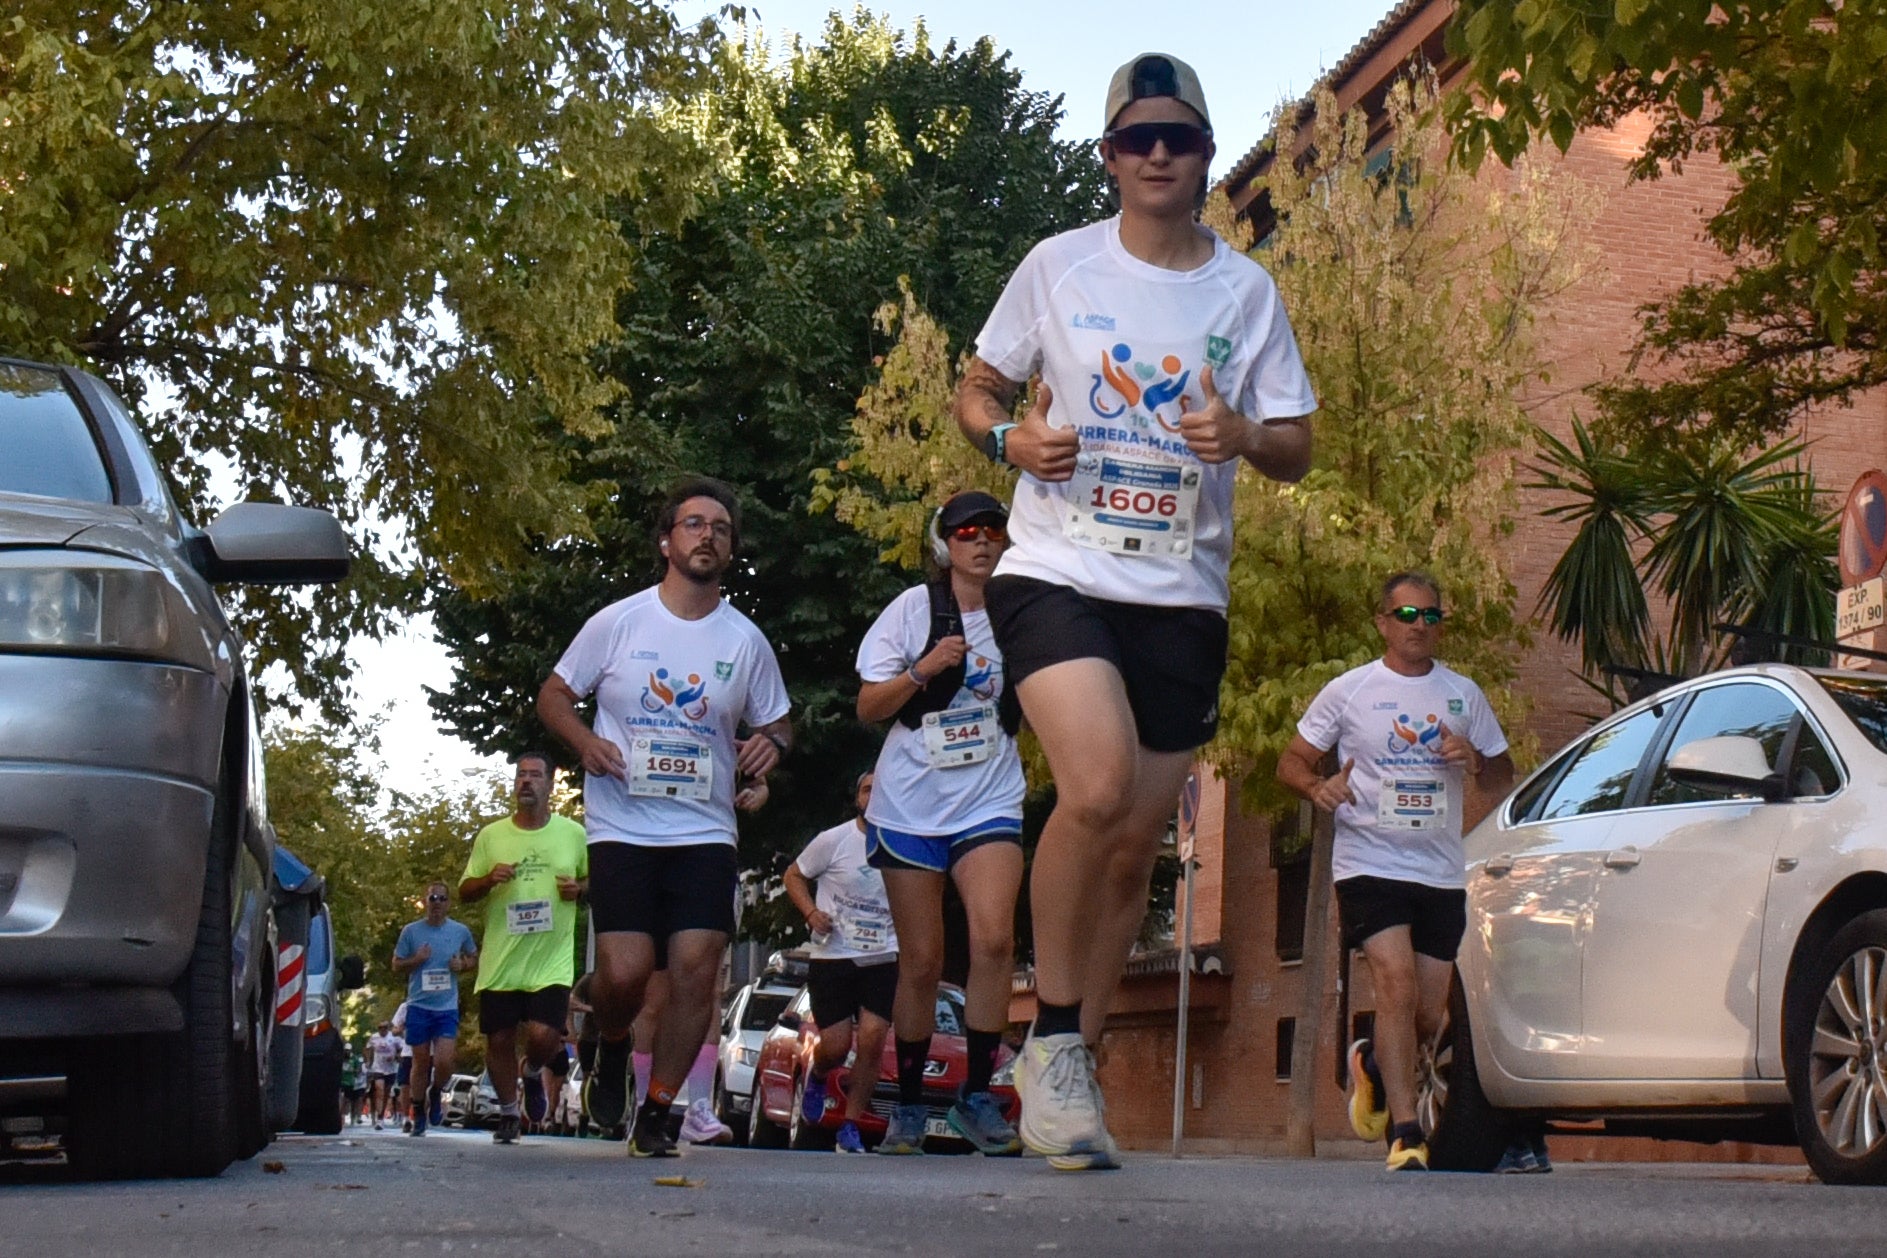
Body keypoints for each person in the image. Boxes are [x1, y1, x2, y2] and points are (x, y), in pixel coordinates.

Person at [952, 52, 1316, 1169]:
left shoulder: (1246, 291)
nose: (1160, 154)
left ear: (1206, 156)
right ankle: (1050, 1039)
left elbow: (1297, 445)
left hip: (1181, 593)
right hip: (1056, 570)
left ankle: (1071, 1066)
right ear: (1110, 156)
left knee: (1130, 850)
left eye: (1182, 138)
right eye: (1137, 138)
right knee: (1098, 781)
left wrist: (1246, 437)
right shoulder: (1059, 266)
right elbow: (979, 390)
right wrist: (1007, 439)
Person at [537, 476, 790, 1158]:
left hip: (705, 829)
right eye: (694, 523)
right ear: (666, 540)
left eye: (720, 528)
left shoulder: (744, 641)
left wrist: (769, 750)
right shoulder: (619, 622)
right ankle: (611, 1044)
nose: (707, 534)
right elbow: (554, 695)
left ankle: (658, 1109)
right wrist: (585, 742)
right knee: (623, 972)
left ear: (731, 550)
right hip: (622, 824)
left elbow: (778, 723)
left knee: (696, 968)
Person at [1277, 571, 1515, 1171]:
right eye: (1407, 616)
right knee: (1395, 981)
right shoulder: (1351, 691)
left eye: (1430, 617)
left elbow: (1504, 773)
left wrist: (1478, 761)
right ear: (1382, 622)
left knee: (1428, 1013)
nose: (1419, 627)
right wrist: (1318, 787)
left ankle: (1377, 1071)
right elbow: (1293, 762)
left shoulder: (1464, 694)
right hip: (1369, 861)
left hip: (1437, 869)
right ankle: (1405, 1134)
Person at [854, 492, 1027, 1157]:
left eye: (991, 530)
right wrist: (924, 668)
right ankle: (908, 1106)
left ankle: (977, 1095)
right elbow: (869, 704)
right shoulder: (914, 610)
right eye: (964, 533)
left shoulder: (1022, 614)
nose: (979, 542)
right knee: (922, 962)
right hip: (910, 804)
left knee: (993, 942)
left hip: (989, 797)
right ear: (943, 543)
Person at [460, 751, 589, 1145]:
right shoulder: (492, 835)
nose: (526, 782)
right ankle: (508, 1113)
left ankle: (532, 1071)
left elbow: (595, 884)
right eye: (521, 776)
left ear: (551, 784)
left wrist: (580, 890)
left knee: (544, 1035)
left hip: (550, 959)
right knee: (498, 1039)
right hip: (503, 959)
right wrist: (486, 880)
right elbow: (464, 891)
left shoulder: (574, 834)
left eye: (535, 775)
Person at [783, 771, 900, 1155]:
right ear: (858, 799)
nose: (874, 795)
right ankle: (818, 1073)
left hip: (882, 954)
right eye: (868, 789)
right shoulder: (833, 840)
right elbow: (794, 876)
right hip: (834, 954)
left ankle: (850, 1124)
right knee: (835, 1045)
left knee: (872, 1039)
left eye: (882, 790)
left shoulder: (904, 844)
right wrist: (811, 912)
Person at [391, 882, 479, 1137]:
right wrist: (415, 960)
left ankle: (437, 1090)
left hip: (446, 1007)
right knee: (419, 1061)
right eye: (432, 898)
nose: (437, 903)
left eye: (442, 898)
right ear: (425, 901)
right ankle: (418, 1111)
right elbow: (396, 964)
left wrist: (462, 964)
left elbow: (473, 957)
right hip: (418, 1005)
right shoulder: (411, 931)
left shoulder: (460, 931)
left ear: (448, 903)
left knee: (444, 1061)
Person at [365, 1020, 399, 1129]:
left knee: (386, 1093)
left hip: (391, 1069)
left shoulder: (393, 1038)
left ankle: (381, 1115)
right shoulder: (374, 1037)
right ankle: (379, 1118)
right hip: (378, 1068)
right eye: (380, 1027)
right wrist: (368, 1060)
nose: (382, 1030)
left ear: (387, 1028)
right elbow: (367, 1048)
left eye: (384, 1027)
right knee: (379, 1089)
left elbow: (400, 1050)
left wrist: (394, 1057)